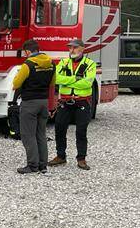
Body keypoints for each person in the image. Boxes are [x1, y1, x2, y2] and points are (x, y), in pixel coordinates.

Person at [50, 38, 96, 170]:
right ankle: (60, 156)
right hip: (65, 101)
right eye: (70, 47)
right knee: (59, 128)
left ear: (82, 49)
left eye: (75, 48)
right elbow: (56, 78)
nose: (71, 50)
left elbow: (87, 82)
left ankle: (81, 158)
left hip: (82, 101)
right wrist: (76, 79)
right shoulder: (63, 62)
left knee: (81, 131)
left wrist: (67, 81)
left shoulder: (90, 64)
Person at [12, 39, 55, 174]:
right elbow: (53, 83)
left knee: (28, 135)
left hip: (30, 103)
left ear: (28, 51)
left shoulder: (28, 65)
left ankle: (32, 165)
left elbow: (16, 84)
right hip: (43, 102)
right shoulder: (51, 64)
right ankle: (43, 165)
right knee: (40, 134)